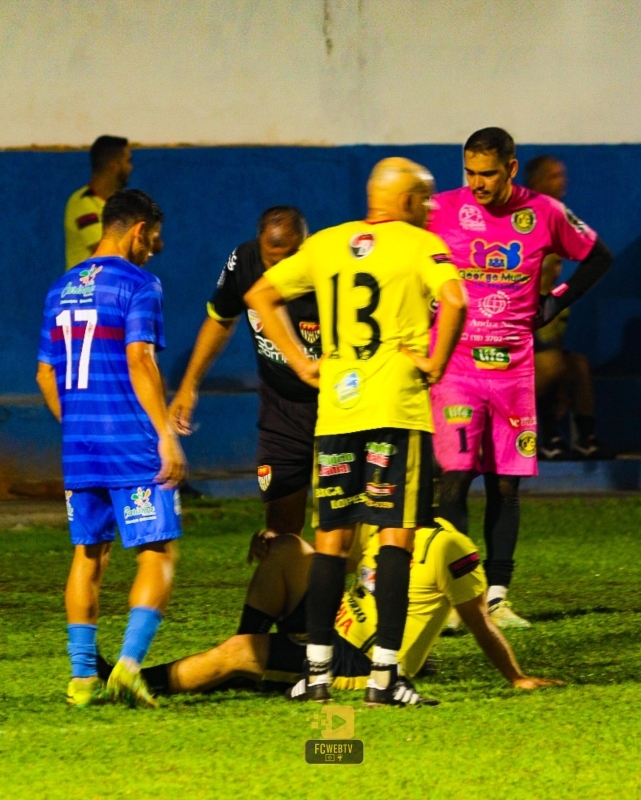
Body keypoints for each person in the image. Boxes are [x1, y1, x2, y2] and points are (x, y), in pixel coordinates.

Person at [245, 157, 467, 706]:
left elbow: (259, 297)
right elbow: (457, 300)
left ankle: (315, 674)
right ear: (410, 202)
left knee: (330, 542)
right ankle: (384, 680)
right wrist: (436, 362)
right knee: (395, 539)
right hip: (395, 409)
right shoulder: (419, 245)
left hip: (338, 413)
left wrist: (300, 362)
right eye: (428, 197)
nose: (433, 207)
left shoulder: (326, 244)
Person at [428, 128, 612, 629]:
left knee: (506, 487)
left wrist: (555, 301)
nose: (478, 183)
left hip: (512, 368)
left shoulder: (545, 213)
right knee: (454, 479)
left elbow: (598, 256)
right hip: (457, 367)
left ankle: (496, 598)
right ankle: (452, 599)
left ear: (511, 168)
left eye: (487, 173)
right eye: (470, 172)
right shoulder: (441, 209)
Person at [37, 189, 186, 709]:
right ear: (138, 230)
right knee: (158, 551)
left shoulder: (60, 289)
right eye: (155, 238)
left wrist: (78, 424)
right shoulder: (139, 284)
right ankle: (126, 666)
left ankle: (81, 680)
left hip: (81, 448)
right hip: (132, 443)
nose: (156, 249)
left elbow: (44, 372)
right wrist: (165, 434)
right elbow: (141, 359)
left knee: (88, 556)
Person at [126, 523, 560, 697]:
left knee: (241, 650)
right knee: (288, 549)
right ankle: (250, 672)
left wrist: (516, 677)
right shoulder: (379, 523)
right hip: (330, 631)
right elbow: (347, 567)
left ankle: (135, 682)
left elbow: (479, 620)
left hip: (363, 661)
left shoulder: (448, 545)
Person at [170, 207, 316, 538]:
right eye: (270, 261)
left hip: (332, 408)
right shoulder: (244, 260)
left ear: (303, 248)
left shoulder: (325, 270)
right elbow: (220, 320)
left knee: (338, 529)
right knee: (279, 526)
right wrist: (189, 386)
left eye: (287, 261)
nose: (276, 273)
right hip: (280, 408)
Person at [525, 155, 612, 460]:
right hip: (508, 362)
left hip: (542, 349)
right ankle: (543, 438)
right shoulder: (525, 222)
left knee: (574, 364)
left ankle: (584, 439)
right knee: (551, 365)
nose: (563, 181)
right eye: (553, 176)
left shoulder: (557, 300)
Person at [64, 135, 133, 271]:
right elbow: (106, 253)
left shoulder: (119, 205)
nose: (131, 167)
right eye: (128, 161)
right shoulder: (83, 203)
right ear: (113, 166)